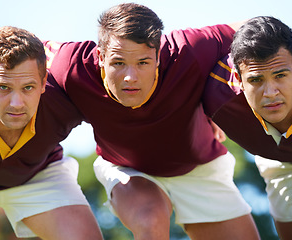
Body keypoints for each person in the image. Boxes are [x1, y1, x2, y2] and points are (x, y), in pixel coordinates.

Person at [44, 3, 260, 240]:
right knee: (150, 218)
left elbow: (262, 30)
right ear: (101, 56)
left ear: (158, 56)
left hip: (198, 168)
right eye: (118, 63)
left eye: (142, 63)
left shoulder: (190, 49)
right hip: (127, 168)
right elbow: (20, 49)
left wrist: (216, 101)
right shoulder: (72, 65)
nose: (130, 77)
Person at [0, 26, 103, 239]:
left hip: (39, 176)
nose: (16, 103)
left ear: (43, 82)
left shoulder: (66, 95)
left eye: (28, 87)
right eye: (3, 87)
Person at [204, 16, 292, 239]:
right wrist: (200, 116)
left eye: (280, 75)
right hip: (286, 159)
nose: (270, 93)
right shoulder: (215, 94)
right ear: (238, 80)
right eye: (256, 80)